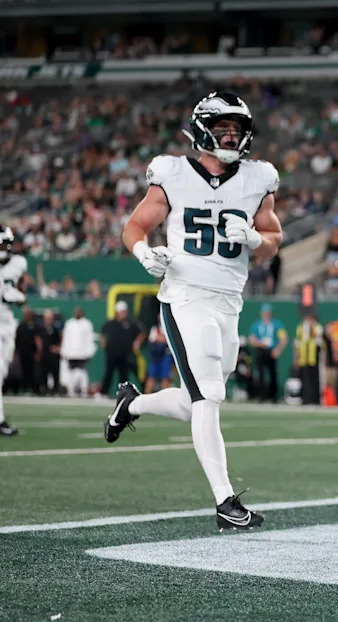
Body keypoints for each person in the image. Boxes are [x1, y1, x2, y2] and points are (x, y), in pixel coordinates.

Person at [103, 91, 283, 531]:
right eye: (222, 127)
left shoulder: (259, 179)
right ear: (202, 128)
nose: (230, 135)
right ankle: (226, 502)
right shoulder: (174, 173)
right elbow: (135, 226)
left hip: (229, 301)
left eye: (236, 129)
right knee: (208, 398)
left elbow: (274, 240)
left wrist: (257, 242)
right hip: (185, 296)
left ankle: (133, 404)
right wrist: (144, 252)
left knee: (193, 403)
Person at [0, 225, 25, 435]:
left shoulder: (18, 263)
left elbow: (19, 291)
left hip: (6, 324)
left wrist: (17, 295)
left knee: (2, 372)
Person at [99, 301, 144, 393]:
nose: (123, 314)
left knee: (124, 376)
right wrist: (103, 343)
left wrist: (137, 342)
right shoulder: (111, 323)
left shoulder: (131, 323)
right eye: (121, 312)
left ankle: (123, 393)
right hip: (112, 353)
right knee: (109, 373)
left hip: (125, 354)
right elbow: (102, 332)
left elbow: (142, 332)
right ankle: (103, 393)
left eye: (124, 312)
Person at [249, 303, 287, 402]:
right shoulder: (257, 325)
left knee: (273, 374)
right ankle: (260, 396)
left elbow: (283, 338)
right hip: (261, 351)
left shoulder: (276, 324)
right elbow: (252, 340)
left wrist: (278, 349)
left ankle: (273, 396)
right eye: (265, 313)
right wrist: (261, 344)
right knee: (260, 374)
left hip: (272, 351)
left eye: (268, 313)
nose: (267, 315)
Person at [61, 306, 97, 397]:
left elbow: (90, 338)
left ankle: (84, 390)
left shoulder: (87, 324)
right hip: (71, 353)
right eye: (76, 312)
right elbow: (66, 338)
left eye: (79, 312)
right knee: (71, 372)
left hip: (83, 353)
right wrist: (64, 351)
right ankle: (71, 390)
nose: (77, 313)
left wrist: (90, 352)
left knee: (82, 372)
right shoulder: (69, 323)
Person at [293, 310, 323, 405]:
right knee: (304, 378)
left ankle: (315, 399)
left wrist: (310, 328)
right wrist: (296, 357)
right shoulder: (300, 327)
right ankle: (305, 398)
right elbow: (297, 343)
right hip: (303, 357)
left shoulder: (317, 327)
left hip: (313, 357)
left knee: (314, 378)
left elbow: (316, 336)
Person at [14, 305, 40, 396]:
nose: (26, 315)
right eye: (25, 314)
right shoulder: (21, 326)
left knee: (32, 371)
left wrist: (38, 352)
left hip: (32, 353)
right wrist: (15, 353)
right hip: (22, 352)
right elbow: (16, 340)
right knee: (22, 371)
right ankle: (23, 388)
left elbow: (38, 340)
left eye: (28, 314)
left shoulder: (35, 326)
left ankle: (32, 389)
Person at [144, 324, 174, 394]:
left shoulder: (169, 328)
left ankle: (164, 397)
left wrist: (161, 338)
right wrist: (162, 338)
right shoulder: (155, 329)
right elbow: (152, 339)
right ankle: (146, 396)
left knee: (165, 377)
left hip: (166, 357)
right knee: (151, 377)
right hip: (155, 357)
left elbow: (169, 340)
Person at [38, 309, 62, 395]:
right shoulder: (41, 328)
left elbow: (60, 340)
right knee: (43, 373)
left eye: (50, 318)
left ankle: (56, 390)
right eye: (47, 318)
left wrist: (57, 348)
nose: (48, 320)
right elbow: (38, 340)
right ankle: (43, 389)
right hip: (44, 355)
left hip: (53, 356)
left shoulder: (55, 329)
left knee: (55, 373)